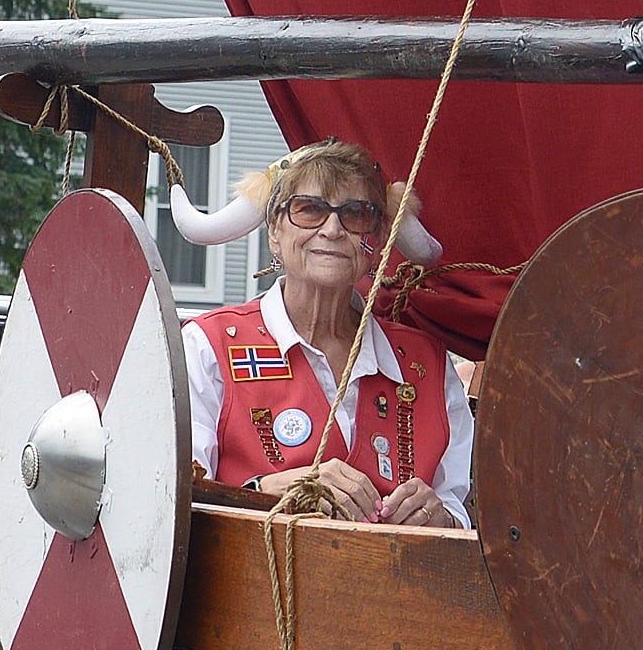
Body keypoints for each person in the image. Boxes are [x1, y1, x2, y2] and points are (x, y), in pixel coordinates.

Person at [179, 141, 473, 526]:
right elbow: (178, 500)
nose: (332, 229)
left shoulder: (427, 364)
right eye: (310, 209)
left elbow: (457, 510)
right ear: (274, 231)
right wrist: (270, 491)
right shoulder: (208, 346)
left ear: (379, 239)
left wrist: (442, 518)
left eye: (356, 214)